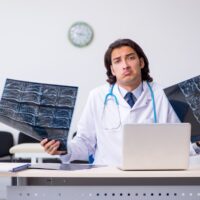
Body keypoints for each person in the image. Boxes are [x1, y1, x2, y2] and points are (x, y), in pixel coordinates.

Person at [41, 38, 199, 166]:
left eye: (130, 58)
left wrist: (197, 145)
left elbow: (178, 144)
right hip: (106, 177)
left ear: (141, 63)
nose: (125, 65)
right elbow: (84, 142)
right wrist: (62, 149)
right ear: (112, 69)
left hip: (152, 175)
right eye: (117, 61)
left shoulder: (162, 95)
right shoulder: (97, 96)